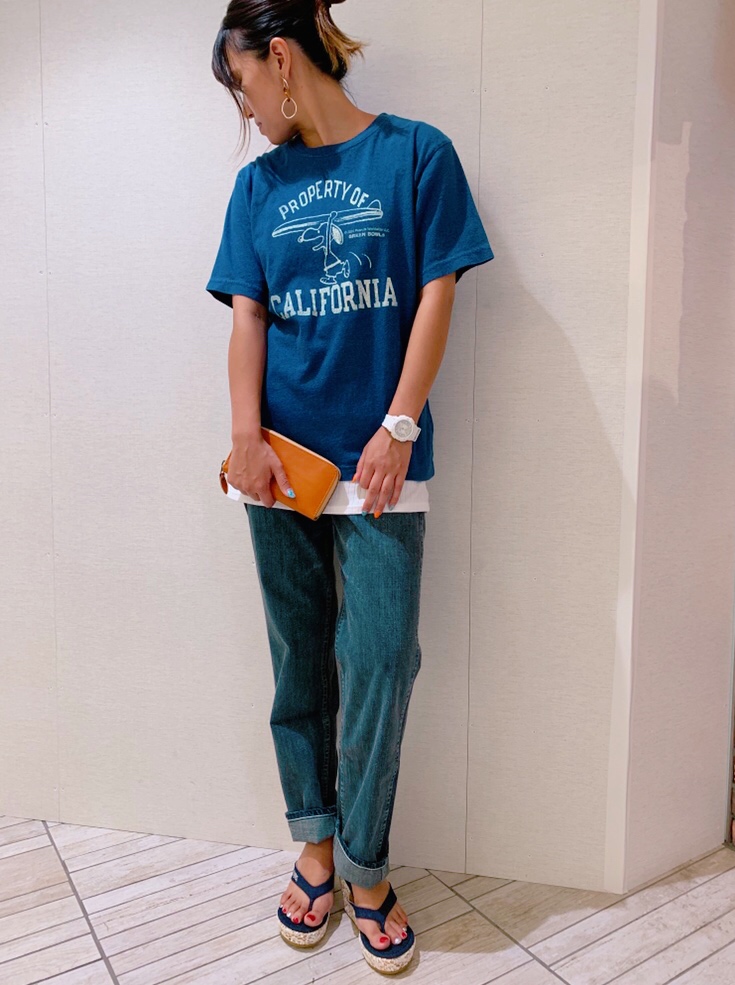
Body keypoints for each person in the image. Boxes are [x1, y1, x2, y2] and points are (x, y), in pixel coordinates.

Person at [205, 0, 494, 974]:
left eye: (243, 83)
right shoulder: (257, 186)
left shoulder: (415, 154)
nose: (245, 109)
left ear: (281, 58)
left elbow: (437, 289)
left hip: (379, 463)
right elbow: (248, 317)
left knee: (379, 659)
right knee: (300, 657)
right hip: (280, 460)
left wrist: (398, 425)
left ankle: (368, 863)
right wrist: (244, 437)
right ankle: (315, 845)